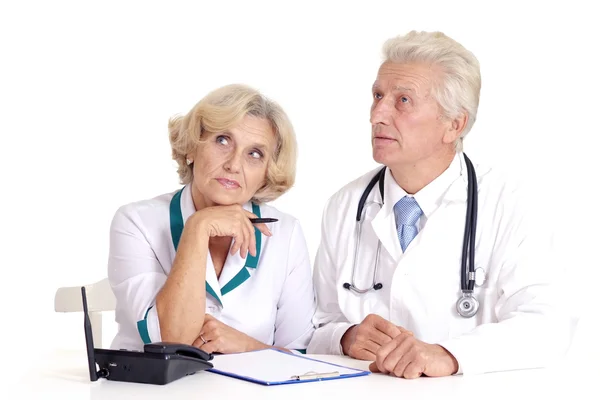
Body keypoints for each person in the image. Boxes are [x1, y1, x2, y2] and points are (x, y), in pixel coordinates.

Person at [306, 31, 572, 377]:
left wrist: (449, 355)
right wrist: (345, 337)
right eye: (378, 95)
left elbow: (545, 326)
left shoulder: (510, 204)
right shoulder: (345, 205)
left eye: (403, 100)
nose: (377, 115)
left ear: (454, 124)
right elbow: (316, 325)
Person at [107, 84, 316, 354]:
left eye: (254, 154)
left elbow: (302, 360)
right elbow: (171, 343)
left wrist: (246, 346)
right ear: (192, 148)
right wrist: (199, 227)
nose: (233, 164)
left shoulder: (286, 234)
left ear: (267, 172)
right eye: (222, 141)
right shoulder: (135, 223)